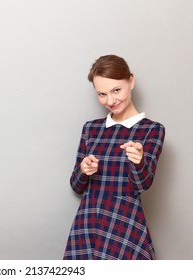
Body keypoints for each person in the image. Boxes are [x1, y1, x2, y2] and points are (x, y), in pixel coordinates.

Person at [64, 55, 165, 260]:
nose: (110, 101)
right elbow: (76, 186)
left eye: (116, 90)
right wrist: (83, 170)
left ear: (131, 81)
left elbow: (143, 184)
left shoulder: (152, 130)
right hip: (88, 221)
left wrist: (138, 161)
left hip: (123, 222)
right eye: (102, 94)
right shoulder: (91, 128)